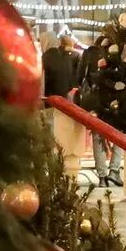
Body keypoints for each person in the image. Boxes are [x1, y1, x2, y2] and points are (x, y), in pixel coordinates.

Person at [40, 31, 85, 169]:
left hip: (48, 101)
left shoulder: (45, 58)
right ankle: (58, 164)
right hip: (63, 102)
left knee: (48, 136)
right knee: (60, 136)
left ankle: (49, 164)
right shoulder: (65, 58)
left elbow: (42, 83)